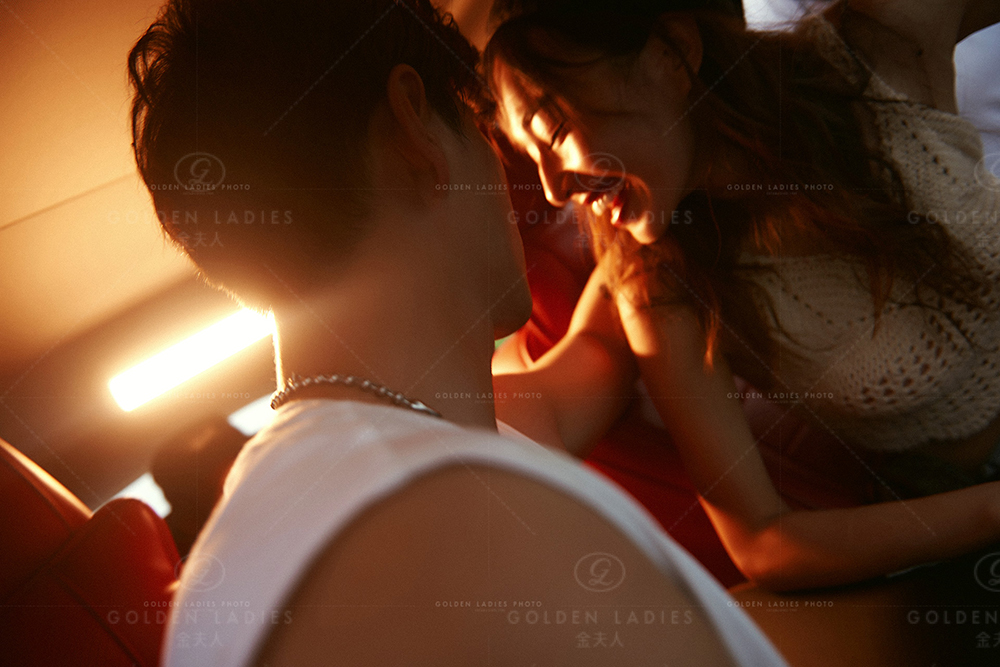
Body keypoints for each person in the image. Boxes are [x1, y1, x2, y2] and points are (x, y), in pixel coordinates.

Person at [127, 0, 787, 664]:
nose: (544, 193)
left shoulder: (260, 536)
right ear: (416, 129)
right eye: (479, 125)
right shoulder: (454, 531)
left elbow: (588, 355)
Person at [487, 0, 1000, 591]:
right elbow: (764, 540)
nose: (554, 190)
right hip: (968, 494)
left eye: (553, 131)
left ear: (670, 52)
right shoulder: (662, 287)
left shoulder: (870, 56)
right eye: (532, 156)